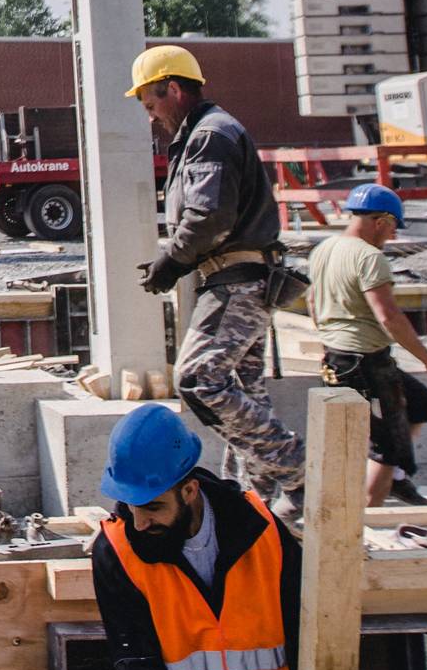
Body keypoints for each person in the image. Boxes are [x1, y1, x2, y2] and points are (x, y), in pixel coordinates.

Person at [131, 44, 306, 516]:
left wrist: (172, 260)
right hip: (240, 278)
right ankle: (253, 502)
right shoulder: (204, 134)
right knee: (246, 395)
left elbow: (209, 216)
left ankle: (297, 467)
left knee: (199, 379)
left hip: (236, 280)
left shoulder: (210, 135)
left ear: (173, 88)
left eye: (151, 104)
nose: (151, 117)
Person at [89, 403, 305, 670]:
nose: (140, 522)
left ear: (189, 491)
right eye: (131, 505)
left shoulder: (260, 530)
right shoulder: (116, 551)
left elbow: (303, 631)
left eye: (153, 507)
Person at [306, 184, 427, 506]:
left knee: (422, 404)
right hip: (366, 363)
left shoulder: (325, 249)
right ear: (382, 220)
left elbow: (314, 303)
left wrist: (330, 340)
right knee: (387, 447)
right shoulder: (369, 257)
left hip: (340, 360)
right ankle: (366, 527)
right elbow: (389, 317)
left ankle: (398, 479)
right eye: (392, 228)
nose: (392, 236)